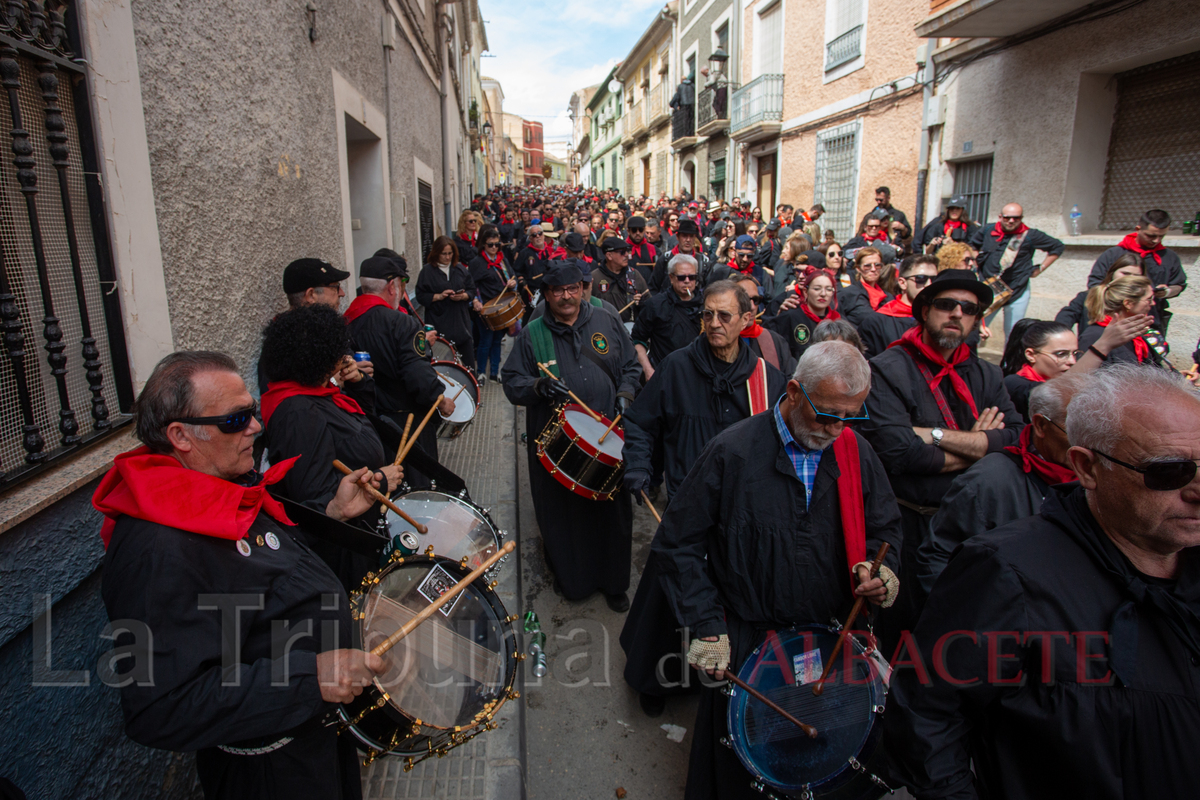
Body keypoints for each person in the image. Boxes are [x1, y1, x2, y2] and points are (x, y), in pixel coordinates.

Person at [886, 365, 1200, 800]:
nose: (1198, 489)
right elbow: (927, 720)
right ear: (1087, 467)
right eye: (1169, 472)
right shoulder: (1004, 569)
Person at [95, 351, 386, 800]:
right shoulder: (157, 548)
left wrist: (332, 512)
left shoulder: (218, 487)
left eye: (252, 413)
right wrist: (311, 678)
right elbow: (161, 707)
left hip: (312, 737)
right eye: (235, 420)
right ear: (181, 436)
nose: (255, 427)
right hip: (270, 770)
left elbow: (267, 576)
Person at [654, 341, 903, 800]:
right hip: (748, 639)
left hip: (829, 640)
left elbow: (885, 527)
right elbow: (677, 544)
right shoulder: (731, 451)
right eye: (827, 414)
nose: (835, 429)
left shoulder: (855, 451)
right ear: (793, 390)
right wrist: (707, 627)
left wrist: (882, 571)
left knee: (816, 756)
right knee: (741, 766)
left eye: (850, 417)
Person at [620, 280, 788, 717]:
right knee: (666, 602)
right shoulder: (675, 367)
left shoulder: (767, 380)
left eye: (724, 316)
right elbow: (639, 424)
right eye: (707, 315)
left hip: (742, 516)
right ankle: (652, 679)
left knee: (725, 606)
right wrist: (638, 466)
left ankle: (713, 677)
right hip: (684, 511)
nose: (713, 323)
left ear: (747, 321)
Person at [859, 269, 1022, 646]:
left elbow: (1015, 439)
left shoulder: (986, 374)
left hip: (973, 525)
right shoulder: (887, 369)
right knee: (904, 634)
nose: (957, 314)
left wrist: (931, 435)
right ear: (925, 310)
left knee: (964, 629)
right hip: (910, 524)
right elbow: (900, 451)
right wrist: (981, 444)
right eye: (946, 305)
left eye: (969, 308)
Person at [501, 261, 641, 610]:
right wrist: (538, 385)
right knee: (565, 518)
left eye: (572, 289)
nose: (566, 297)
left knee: (612, 516)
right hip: (556, 444)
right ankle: (574, 582)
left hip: (607, 437)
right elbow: (511, 382)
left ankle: (614, 583)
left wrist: (625, 393)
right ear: (546, 294)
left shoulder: (606, 319)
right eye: (557, 291)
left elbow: (631, 366)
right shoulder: (533, 334)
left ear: (582, 288)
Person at [259, 305, 403, 590]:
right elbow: (314, 500)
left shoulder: (317, 394)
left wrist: (358, 383)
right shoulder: (298, 411)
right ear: (319, 358)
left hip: (361, 533)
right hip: (343, 556)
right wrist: (380, 480)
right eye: (339, 353)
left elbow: (358, 421)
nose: (344, 358)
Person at [918, 374, 1081, 595]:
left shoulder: (1099, 480)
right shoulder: (986, 482)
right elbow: (940, 561)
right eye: (1075, 431)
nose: (1087, 443)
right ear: (1041, 425)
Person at [345, 256, 454, 484]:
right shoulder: (402, 323)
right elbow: (418, 375)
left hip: (372, 423)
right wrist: (441, 400)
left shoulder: (346, 322)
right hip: (409, 422)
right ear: (391, 286)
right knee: (419, 483)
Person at [1087, 209, 1187, 334]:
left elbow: (1179, 284)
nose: (1156, 240)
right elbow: (1094, 284)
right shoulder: (1113, 254)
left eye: (1161, 236)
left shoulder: (1169, 257)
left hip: (1152, 321)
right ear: (1138, 228)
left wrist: (1167, 292)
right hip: (1114, 321)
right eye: (1151, 235)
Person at [970, 203, 1064, 336]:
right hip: (989, 289)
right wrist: (975, 263)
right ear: (1000, 217)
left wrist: (1040, 268)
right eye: (1007, 218)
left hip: (1017, 290)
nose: (1011, 221)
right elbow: (973, 244)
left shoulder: (1030, 235)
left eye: (1016, 218)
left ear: (1022, 218)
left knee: (1013, 334)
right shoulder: (987, 230)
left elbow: (1058, 247)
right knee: (975, 330)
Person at [630, 253, 703, 381]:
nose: (687, 281)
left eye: (692, 277)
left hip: (698, 376)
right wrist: (648, 370)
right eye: (681, 277)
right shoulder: (655, 305)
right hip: (665, 376)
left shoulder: (706, 304)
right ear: (671, 278)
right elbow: (637, 340)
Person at [416, 236, 483, 373]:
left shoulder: (460, 269)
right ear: (436, 253)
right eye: (444, 254)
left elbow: (471, 289)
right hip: (439, 322)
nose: (447, 257)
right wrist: (439, 296)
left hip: (460, 323)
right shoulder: (427, 272)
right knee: (442, 364)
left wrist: (463, 296)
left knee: (468, 366)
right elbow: (421, 296)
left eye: (450, 254)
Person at [857, 254, 939, 358]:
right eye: (921, 278)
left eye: (934, 279)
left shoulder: (941, 318)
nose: (929, 284)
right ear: (902, 283)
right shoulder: (875, 323)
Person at [1078, 275, 1169, 368]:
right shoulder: (1094, 336)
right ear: (1128, 303)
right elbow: (1085, 378)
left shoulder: (1135, 333)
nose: (1153, 303)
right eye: (1149, 299)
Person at [469, 225, 518, 382]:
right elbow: (471, 284)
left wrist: (512, 283)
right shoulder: (477, 262)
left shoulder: (502, 260)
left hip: (502, 307)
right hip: (486, 308)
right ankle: (482, 372)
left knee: (497, 340)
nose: (494, 248)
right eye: (490, 244)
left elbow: (512, 276)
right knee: (485, 341)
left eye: (497, 244)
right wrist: (475, 300)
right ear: (484, 244)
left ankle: (495, 373)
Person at [1057, 253, 1142, 334]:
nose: (1130, 279)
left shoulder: (1145, 300)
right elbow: (1064, 319)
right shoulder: (1088, 296)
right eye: (1125, 273)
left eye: (1136, 276)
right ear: (1113, 272)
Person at [767, 266, 840, 361]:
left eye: (829, 289)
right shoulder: (791, 316)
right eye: (817, 289)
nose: (823, 293)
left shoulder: (838, 320)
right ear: (806, 291)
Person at [731, 274, 796, 376]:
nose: (752, 307)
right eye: (744, 300)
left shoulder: (774, 341)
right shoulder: (717, 340)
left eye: (756, 300)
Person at [592, 237, 650, 324]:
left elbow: (649, 303)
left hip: (630, 328)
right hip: (604, 327)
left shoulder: (634, 275)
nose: (627, 254)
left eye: (627, 250)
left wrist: (641, 303)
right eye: (622, 252)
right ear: (609, 255)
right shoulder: (594, 278)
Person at [836, 247, 893, 327]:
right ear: (858, 268)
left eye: (877, 265)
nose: (873, 269)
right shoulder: (848, 294)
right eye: (867, 266)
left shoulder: (888, 298)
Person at [650, 218, 710, 291]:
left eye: (691, 236)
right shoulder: (666, 259)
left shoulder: (703, 262)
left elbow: (708, 289)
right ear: (677, 237)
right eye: (684, 236)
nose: (688, 240)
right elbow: (653, 287)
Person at [913, 194, 978, 254]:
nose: (954, 211)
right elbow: (927, 251)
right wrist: (932, 244)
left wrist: (953, 244)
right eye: (951, 208)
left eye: (958, 208)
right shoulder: (938, 224)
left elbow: (972, 250)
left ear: (962, 210)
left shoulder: (969, 227)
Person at [627, 216, 657, 283]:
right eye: (634, 230)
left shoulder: (653, 249)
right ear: (628, 231)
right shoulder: (622, 249)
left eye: (640, 230)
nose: (638, 233)